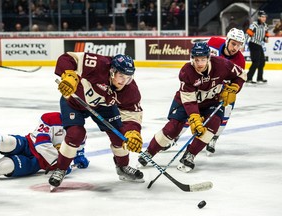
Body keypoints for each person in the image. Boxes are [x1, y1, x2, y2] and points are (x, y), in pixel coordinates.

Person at [138, 42, 246, 172]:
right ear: (192, 58)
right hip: (186, 102)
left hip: (212, 102)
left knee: (213, 125)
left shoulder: (222, 65)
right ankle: (150, 152)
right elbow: (189, 100)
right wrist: (194, 118)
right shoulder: (186, 71)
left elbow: (241, 74)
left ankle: (190, 155)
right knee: (174, 127)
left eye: (203, 59)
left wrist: (235, 88)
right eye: (196, 60)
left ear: (208, 58)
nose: (200, 64)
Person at [49, 53, 144, 188]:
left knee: (120, 136)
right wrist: (69, 76)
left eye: (128, 77)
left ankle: (123, 167)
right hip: (74, 100)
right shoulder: (97, 64)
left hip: (103, 107)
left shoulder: (130, 91)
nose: (124, 81)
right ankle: (61, 169)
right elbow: (68, 58)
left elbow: (132, 115)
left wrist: (132, 132)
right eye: (121, 76)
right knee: (75, 134)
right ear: (112, 72)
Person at [0, 112, 89, 177]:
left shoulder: (81, 133)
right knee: (6, 142)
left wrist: (79, 156)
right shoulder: (51, 118)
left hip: (37, 163)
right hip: (28, 143)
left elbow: (78, 148)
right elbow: (41, 144)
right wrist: (61, 164)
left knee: (5, 166)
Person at [245, 10, 270, 84]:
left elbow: (266, 33)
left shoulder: (265, 25)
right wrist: (243, 45)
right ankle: (248, 78)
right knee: (255, 62)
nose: (264, 18)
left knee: (262, 61)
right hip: (253, 44)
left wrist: (266, 38)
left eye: (265, 17)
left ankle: (259, 78)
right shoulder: (254, 25)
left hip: (259, 44)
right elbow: (248, 35)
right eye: (262, 17)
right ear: (259, 17)